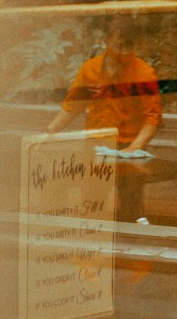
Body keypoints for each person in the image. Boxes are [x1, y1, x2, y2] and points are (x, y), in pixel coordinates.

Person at [48, 22, 162, 219]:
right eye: (119, 45)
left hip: (128, 147)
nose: (124, 52)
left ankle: (131, 242)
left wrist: (133, 149)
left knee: (130, 207)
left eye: (129, 46)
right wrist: (49, 132)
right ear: (106, 42)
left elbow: (152, 120)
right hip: (95, 145)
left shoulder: (144, 73)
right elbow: (73, 106)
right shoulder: (90, 69)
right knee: (91, 203)